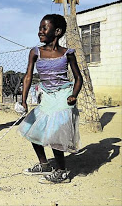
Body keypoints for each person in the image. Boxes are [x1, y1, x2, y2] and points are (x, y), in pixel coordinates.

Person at [18, 14, 83, 184]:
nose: (40, 31)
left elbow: (78, 78)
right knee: (32, 127)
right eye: (40, 28)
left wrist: (73, 95)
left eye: (44, 28)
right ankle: (44, 164)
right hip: (46, 94)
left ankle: (62, 172)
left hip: (63, 95)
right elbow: (28, 76)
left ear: (57, 31)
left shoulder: (67, 54)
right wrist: (23, 100)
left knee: (55, 133)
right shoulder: (36, 52)